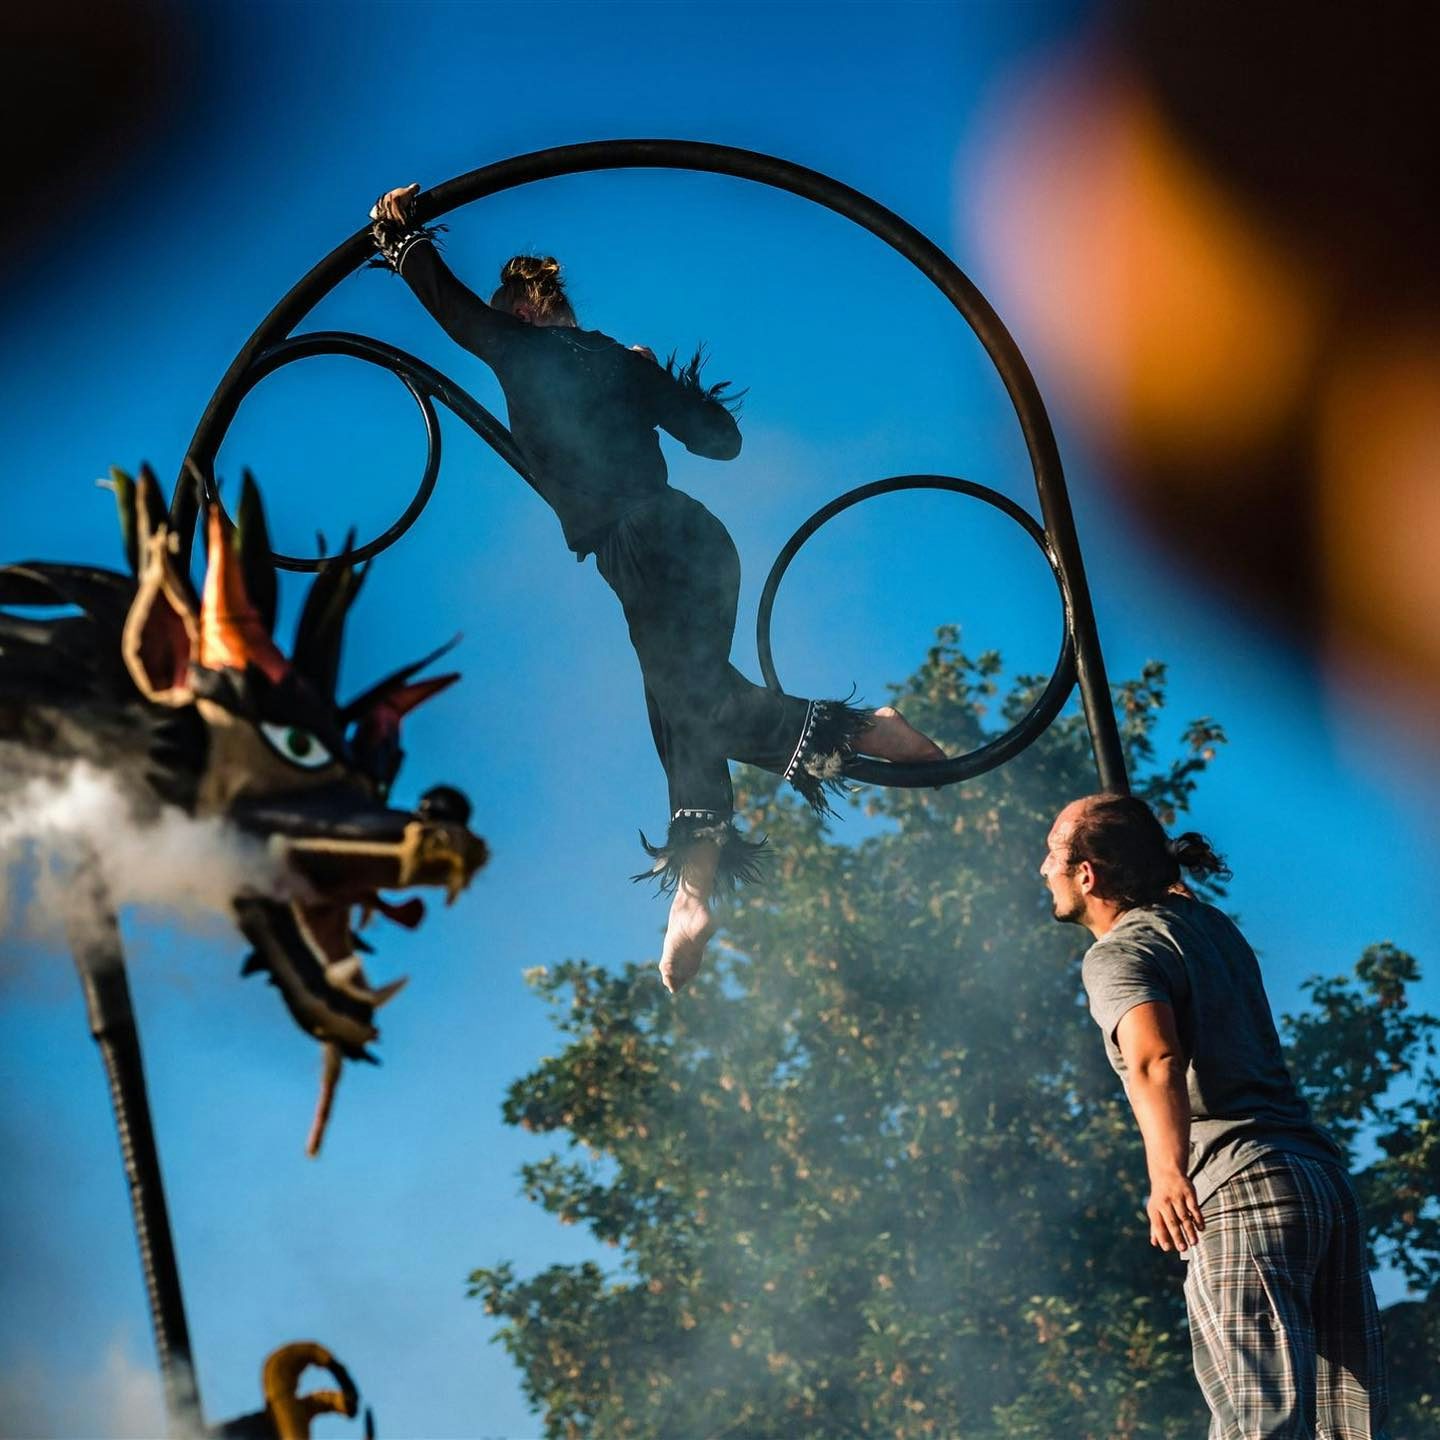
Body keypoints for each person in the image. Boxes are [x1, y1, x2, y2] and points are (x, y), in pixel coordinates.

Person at [369, 184, 944, 994]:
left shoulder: (519, 348)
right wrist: (654, 378)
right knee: (686, 709)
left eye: (506, 318)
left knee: (692, 705)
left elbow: (452, 308)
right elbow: (723, 441)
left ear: (524, 316)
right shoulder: (612, 358)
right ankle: (696, 892)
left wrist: (401, 241)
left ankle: (862, 730)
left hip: (648, 544)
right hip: (695, 537)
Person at [1040, 793, 1389, 1439]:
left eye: (1052, 854)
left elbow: (1155, 1058)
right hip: (1319, 1185)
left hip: (1242, 1188)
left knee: (1262, 1424)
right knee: (1355, 1429)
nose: (1042, 869)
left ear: (1087, 874)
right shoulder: (1211, 926)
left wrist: (1168, 1175)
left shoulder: (1115, 953)